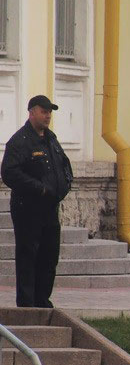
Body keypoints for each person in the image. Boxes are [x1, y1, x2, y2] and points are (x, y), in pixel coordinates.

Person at [2, 95, 73, 308]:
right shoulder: (20, 141)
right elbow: (9, 173)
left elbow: (63, 164)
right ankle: (27, 305)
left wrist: (65, 184)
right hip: (28, 209)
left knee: (49, 257)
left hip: (50, 209)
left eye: (50, 111)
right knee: (28, 256)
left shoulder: (51, 138)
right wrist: (39, 188)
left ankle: (43, 301)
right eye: (44, 111)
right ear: (32, 112)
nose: (48, 115)